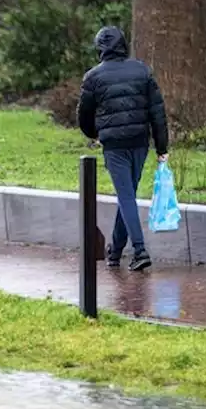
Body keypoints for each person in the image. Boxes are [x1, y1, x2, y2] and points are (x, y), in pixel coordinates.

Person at [77, 26, 169, 271]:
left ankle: (139, 250)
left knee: (125, 196)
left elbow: (83, 115)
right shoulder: (142, 71)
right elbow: (157, 112)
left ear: (100, 49)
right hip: (139, 142)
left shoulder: (93, 77)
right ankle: (115, 252)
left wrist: (94, 133)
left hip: (114, 146)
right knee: (126, 195)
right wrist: (162, 146)